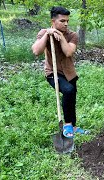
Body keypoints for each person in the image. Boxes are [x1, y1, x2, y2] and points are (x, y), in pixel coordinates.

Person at [32, 6, 86, 138]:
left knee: (71, 98)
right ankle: (67, 125)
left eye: (67, 20)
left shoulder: (72, 35)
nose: (66, 23)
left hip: (70, 73)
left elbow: (68, 52)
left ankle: (73, 126)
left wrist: (61, 37)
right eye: (62, 21)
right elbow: (36, 51)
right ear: (53, 21)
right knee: (67, 90)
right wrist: (47, 34)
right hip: (53, 73)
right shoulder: (43, 32)